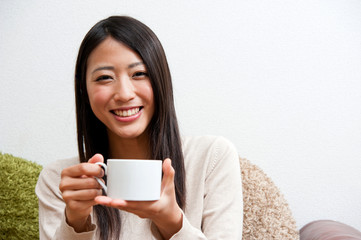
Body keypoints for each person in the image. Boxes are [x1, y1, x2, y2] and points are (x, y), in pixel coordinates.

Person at [35, 16, 243, 240]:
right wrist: (75, 222)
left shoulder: (211, 158)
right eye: (104, 77)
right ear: (84, 90)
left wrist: (172, 222)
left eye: (139, 74)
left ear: (160, 80)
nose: (124, 93)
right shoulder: (61, 181)